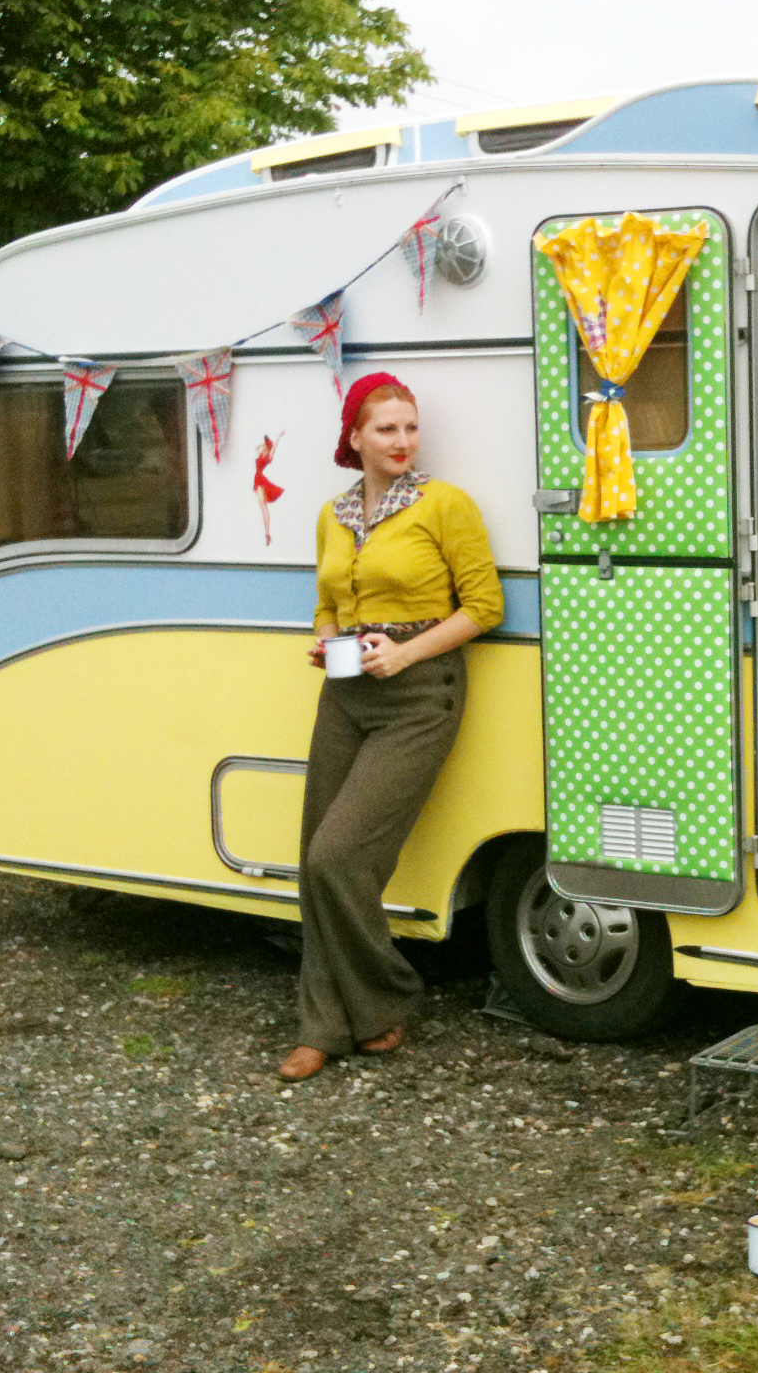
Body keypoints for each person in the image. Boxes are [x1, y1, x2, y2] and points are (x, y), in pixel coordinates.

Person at [279, 372, 504, 1080]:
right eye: (387, 429)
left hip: (419, 695)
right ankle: (322, 1027)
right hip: (346, 694)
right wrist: (327, 642)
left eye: (410, 427)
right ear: (355, 438)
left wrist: (403, 652)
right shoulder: (334, 514)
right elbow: (327, 603)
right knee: (313, 862)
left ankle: (388, 995)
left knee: (337, 856)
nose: (403, 440)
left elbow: (485, 607)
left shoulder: (444, 504)